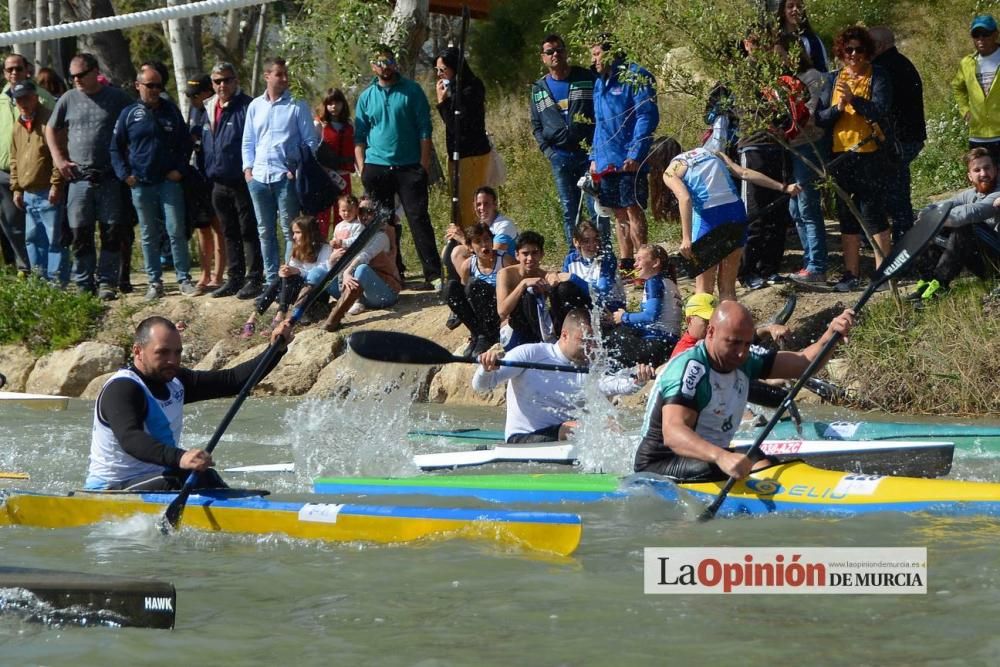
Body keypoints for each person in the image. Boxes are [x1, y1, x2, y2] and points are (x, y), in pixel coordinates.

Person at [634, 301, 854, 481]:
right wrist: (721, 456)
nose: (741, 353)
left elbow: (803, 362)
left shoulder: (744, 357)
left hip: (706, 458)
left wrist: (829, 336)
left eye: (747, 344)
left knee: (762, 459)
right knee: (756, 458)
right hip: (660, 464)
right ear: (710, 332)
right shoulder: (691, 370)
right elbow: (673, 434)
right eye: (733, 343)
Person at [85, 315, 294, 491]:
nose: (172, 360)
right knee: (195, 477)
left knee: (202, 476)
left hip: (159, 479)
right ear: (138, 351)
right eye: (162, 352)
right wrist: (180, 457)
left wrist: (274, 349)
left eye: (177, 352)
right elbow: (131, 439)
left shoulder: (176, 381)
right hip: (112, 488)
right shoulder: (122, 388)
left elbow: (234, 381)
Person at [473, 308, 655, 443]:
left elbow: (614, 384)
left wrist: (638, 380)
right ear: (565, 335)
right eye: (584, 340)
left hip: (563, 435)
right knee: (583, 427)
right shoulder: (529, 354)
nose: (589, 347)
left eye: (592, 341)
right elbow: (480, 386)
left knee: (611, 426)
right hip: (522, 439)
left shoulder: (588, 367)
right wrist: (485, 369)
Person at [662, 147, 801, 301]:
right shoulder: (712, 152)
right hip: (735, 212)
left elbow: (685, 198)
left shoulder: (670, 171)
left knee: (703, 291)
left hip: (709, 219)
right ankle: (731, 324)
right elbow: (744, 173)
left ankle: (705, 325)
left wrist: (686, 238)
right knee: (728, 288)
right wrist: (783, 187)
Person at [45, 53, 132, 300]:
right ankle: (84, 284)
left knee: (111, 231)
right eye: (72, 76)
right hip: (79, 178)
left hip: (109, 177)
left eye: (81, 75)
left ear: (95, 71)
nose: (76, 80)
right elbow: (50, 129)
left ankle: (107, 282)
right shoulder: (68, 99)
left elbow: (134, 122)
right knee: (80, 233)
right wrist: (58, 159)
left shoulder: (116, 98)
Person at [354, 44, 440, 289]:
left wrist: (423, 166)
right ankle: (394, 273)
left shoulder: (412, 91)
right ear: (373, 66)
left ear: (395, 63)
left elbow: (425, 129)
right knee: (383, 222)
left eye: (389, 61)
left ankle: (433, 273)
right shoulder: (366, 96)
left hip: (409, 166)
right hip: (377, 167)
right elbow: (359, 136)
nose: (385, 66)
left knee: (418, 218)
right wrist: (363, 168)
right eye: (380, 62)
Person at [816, 26, 893, 293]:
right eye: (848, 50)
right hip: (840, 156)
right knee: (847, 216)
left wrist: (854, 100)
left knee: (873, 214)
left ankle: (883, 273)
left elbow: (880, 110)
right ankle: (851, 273)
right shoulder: (831, 79)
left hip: (869, 153)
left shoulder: (878, 76)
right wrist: (838, 107)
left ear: (867, 51)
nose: (854, 55)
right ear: (841, 52)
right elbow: (820, 118)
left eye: (859, 49)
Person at [111, 64, 196, 300]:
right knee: (148, 234)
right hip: (141, 183)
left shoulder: (171, 111)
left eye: (159, 85)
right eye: (150, 85)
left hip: (169, 182)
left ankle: (184, 278)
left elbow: (185, 143)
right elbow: (115, 148)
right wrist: (125, 175)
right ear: (139, 86)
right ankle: (154, 282)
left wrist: (180, 169)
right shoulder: (128, 114)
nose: (156, 90)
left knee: (176, 230)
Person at [242, 57, 319, 290]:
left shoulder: (297, 105)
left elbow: (311, 141)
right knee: (265, 231)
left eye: (286, 74)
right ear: (267, 76)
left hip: (285, 178)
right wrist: (248, 170)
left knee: (290, 230)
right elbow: (248, 140)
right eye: (279, 74)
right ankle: (270, 281)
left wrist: (295, 167)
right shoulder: (255, 106)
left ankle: (287, 279)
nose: (284, 78)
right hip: (259, 178)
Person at [589, 35, 659, 274]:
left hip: (630, 158)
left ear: (610, 53)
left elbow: (646, 115)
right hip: (606, 158)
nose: (593, 59)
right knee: (618, 212)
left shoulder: (636, 76)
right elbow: (600, 123)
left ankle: (645, 263)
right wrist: (593, 157)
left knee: (632, 209)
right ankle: (627, 263)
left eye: (597, 53)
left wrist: (636, 152)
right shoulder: (600, 82)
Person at [203, 63, 264, 300]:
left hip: (242, 180)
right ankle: (234, 277)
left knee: (249, 230)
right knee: (228, 231)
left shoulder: (248, 107)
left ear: (235, 80)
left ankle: (255, 277)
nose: (222, 85)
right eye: (217, 81)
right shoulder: (208, 107)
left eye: (226, 80)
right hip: (217, 180)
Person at [530, 34, 598, 249]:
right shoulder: (538, 88)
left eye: (559, 50)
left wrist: (596, 148)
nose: (555, 55)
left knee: (595, 207)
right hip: (560, 156)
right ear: (543, 58)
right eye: (550, 52)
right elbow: (536, 125)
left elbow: (601, 113)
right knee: (570, 210)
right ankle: (574, 254)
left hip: (588, 155)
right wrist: (549, 152)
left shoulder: (585, 78)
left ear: (566, 52)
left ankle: (601, 251)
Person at [908, 148, 1000, 302]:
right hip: (982, 262)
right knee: (936, 227)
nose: (983, 173)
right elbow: (941, 205)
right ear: (970, 176)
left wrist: (933, 218)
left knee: (965, 226)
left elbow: (972, 212)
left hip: (997, 262)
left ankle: (940, 284)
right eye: (977, 170)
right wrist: (925, 215)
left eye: (987, 168)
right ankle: (927, 281)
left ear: (996, 170)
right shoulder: (969, 194)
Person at [2, 53, 56, 276]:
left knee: (45, 228)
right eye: (9, 69)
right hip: (6, 172)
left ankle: (52, 274)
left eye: (18, 68)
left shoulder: (43, 98)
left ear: (27, 70)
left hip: (40, 175)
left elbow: (57, 133)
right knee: (13, 226)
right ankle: (26, 269)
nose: (14, 73)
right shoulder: (1, 99)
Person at [871, 26, 926, 241]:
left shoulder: (883, 68)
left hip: (899, 140)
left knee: (893, 192)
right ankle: (903, 236)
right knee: (897, 188)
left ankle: (902, 239)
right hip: (909, 137)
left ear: (880, 45)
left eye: (869, 44)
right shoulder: (901, 62)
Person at [9, 80, 67, 283]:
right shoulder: (18, 124)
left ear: (35, 97)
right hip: (28, 193)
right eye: (18, 99)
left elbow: (58, 154)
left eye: (26, 97)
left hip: (47, 190)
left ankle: (56, 283)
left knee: (54, 239)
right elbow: (14, 158)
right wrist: (16, 188)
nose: (22, 103)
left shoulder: (48, 121)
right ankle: (39, 281)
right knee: (32, 239)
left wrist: (56, 184)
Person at [319, 197, 402, 331]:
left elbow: (365, 256)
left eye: (370, 212)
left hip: (384, 292)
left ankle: (334, 318)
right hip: (360, 293)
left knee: (362, 269)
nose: (365, 215)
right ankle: (307, 311)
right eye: (362, 211)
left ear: (377, 214)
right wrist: (332, 259)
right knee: (319, 273)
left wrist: (347, 272)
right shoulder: (359, 235)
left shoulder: (381, 236)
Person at [240, 215, 328, 338]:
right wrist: (285, 271)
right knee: (283, 277)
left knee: (290, 277)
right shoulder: (298, 248)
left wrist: (296, 271)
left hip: (315, 293)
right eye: (293, 232)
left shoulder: (325, 248)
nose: (294, 236)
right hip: (297, 290)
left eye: (298, 232)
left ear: (309, 233)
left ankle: (275, 317)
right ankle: (257, 316)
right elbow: (292, 269)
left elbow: (321, 273)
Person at [435, 46, 491, 231]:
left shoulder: (471, 88)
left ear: (454, 68)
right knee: (458, 208)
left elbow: (456, 125)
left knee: (472, 207)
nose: (439, 75)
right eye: (437, 70)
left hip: (471, 155)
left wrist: (443, 103)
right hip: (456, 156)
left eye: (442, 70)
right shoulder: (453, 89)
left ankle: (477, 243)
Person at [445, 222, 515, 356]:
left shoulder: (505, 260)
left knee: (474, 285)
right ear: (470, 247)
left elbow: (517, 286)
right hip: (480, 314)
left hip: (499, 311)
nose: (484, 245)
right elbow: (466, 297)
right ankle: (477, 334)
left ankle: (489, 336)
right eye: (478, 241)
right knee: (451, 288)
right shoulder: (467, 265)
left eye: (487, 239)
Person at [607, 244, 682, 368]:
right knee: (625, 329)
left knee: (615, 336)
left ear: (655, 263)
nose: (635, 264)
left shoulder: (653, 282)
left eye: (639, 259)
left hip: (657, 345)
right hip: (669, 344)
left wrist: (624, 317)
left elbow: (651, 316)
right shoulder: (669, 282)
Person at [185, 73, 227, 294]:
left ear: (207, 93)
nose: (192, 99)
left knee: (218, 227)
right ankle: (205, 273)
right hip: (197, 176)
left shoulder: (215, 110)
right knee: (202, 228)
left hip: (215, 178)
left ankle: (219, 276)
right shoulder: (194, 110)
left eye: (195, 95)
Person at [546, 220, 625, 331]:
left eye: (595, 240)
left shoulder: (606, 259)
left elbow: (601, 293)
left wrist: (573, 278)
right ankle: (562, 331)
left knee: (565, 288)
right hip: (584, 305)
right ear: (576, 242)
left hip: (607, 308)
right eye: (586, 241)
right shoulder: (570, 259)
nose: (592, 245)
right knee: (555, 290)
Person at [670, 292, 791, 360]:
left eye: (714, 321)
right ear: (689, 320)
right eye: (706, 321)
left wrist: (769, 328)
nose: (711, 327)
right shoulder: (683, 354)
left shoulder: (712, 340)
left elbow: (740, 340)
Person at [442, 185, 518, 285]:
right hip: (491, 266)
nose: (482, 208)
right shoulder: (482, 225)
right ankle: (471, 286)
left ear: (495, 204)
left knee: (458, 252)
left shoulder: (504, 225)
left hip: (506, 270)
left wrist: (463, 240)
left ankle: (476, 286)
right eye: (478, 204)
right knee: (448, 250)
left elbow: (491, 252)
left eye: (486, 204)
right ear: (474, 206)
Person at [952, 14, 1000, 165]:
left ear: (996, 34)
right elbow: (957, 87)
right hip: (978, 135)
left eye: (985, 34)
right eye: (976, 34)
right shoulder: (967, 63)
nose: (981, 39)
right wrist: (965, 109)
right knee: (984, 182)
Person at [496, 231, 554, 350]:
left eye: (534, 253)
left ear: (542, 254)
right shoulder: (506, 274)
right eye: (525, 254)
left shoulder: (545, 276)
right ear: (517, 255)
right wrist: (523, 284)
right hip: (513, 329)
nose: (530, 258)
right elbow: (502, 312)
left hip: (538, 328)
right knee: (529, 292)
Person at [313, 88, 355, 237]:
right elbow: (312, 151)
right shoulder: (319, 126)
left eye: (337, 102)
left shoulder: (350, 126)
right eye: (329, 103)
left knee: (344, 215)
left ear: (343, 104)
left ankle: (341, 250)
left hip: (344, 178)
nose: (333, 107)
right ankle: (321, 250)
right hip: (325, 177)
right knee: (322, 217)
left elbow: (356, 150)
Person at [777, 0, 828, 72]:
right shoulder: (774, 39)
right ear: (783, 11)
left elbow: (822, 70)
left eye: (799, 6)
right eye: (790, 6)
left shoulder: (812, 40)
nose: (795, 9)